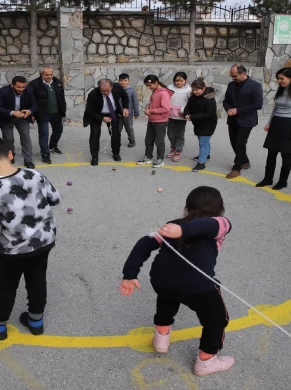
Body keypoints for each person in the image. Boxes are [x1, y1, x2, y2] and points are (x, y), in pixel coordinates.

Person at [119, 186, 233, 377]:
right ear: (219, 209)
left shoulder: (181, 226)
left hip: (162, 279)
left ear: (187, 207)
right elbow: (145, 242)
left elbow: (206, 226)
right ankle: (206, 362)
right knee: (217, 320)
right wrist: (130, 274)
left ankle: (161, 339)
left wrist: (130, 274)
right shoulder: (221, 222)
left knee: (168, 296)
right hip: (197, 285)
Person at [0, 136, 62, 341]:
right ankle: (36, 321)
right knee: (37, 280)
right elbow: (55, 199)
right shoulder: (35, 174)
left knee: (6, 285)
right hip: (44, 241)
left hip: (13, 249)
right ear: (10, 154)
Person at [256, 67, 291, 190]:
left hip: (289, 124)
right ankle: (268, 178)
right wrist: (269, 123)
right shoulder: (281, 90)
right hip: (276, 122)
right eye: (278, 79)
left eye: (282, 79)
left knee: (285, 154)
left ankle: (283, 181)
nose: (279, 81)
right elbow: (275, 108)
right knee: (271, 153)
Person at [222, 64, 264, 179]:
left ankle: (237, 167)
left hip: (246, 120)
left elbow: (258, 104)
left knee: (240, 143)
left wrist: (238, 110)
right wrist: (228, 109)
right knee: (234, 143)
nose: (232, 78)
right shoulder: (231, 85)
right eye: (231, 76)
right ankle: (245, 161)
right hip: (232, 119)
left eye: (234, 76)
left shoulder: (255, 85)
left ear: (243, 73)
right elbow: (226, 101)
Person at [0, 75, 38, 169]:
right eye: (18, 87)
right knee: (8, 138)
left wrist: (29, 111)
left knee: (26, 137)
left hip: (23, 117)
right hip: (6, 118)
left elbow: (35, 105)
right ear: (12, 85)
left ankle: (28, 160)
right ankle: (10, 156)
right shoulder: (3, 91)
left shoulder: (29, 90)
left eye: (23, 87)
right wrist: (12, 112)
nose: (21, 89)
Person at [83, 78, 130, 166]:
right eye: (103, 91)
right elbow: (89, 110)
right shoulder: (93, 94)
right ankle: (94, 157)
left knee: (116, 133)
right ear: (99, 88)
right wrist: (102, 118)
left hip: (112, 112)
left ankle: (116, 153)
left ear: (112, 87)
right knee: (94, 135)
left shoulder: (118, 87)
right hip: (97, 114)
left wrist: (125, 107)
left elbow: (124, 96)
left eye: (108, 91)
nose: (106, 93)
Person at [27, 66, 67, 164]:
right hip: (42, 113)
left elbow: (61, 98)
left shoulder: (57, 82)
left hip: (56, 112)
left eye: (51, 74)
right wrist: (31, 113)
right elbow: (30, 100)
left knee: (58, 130)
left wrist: (63, 112)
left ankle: (53, 146)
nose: (49, 76)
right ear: (41, 74)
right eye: (47, 75)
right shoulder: (34, 84)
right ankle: (45, 154)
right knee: (44, 135)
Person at [137, 75, 173, 169]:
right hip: (152, 120)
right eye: (147, 86)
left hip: (160, 121)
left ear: (156, 83)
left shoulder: (163, 93)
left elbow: (165, 109)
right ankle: (148, 157)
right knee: (148, 140)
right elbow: (152, 103)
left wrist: (151, 111)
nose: (149, 87)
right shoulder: (155, 91)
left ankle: (160, 160)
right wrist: (147, 107)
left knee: (159, 141)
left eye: (150, 85)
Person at [183, 79, 217, 173]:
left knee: (203, 142)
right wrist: (186, 113)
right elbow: (188, 106)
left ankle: (201, 162)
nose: (195, 92)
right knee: (203, 140)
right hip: (198, 122)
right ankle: (207, 154)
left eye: (197, 90)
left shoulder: (209, 99)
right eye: (193, 90)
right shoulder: (193, 96)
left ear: (203, 88)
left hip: (208, 124)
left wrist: (192, 116)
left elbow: (210, 114)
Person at [166, 72, 191, 162]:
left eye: (181, 81)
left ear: (185, 80)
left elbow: (190, 102)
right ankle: (173, 148)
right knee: (170, 134)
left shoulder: (188, 90)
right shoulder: (169, 88)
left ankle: (178, 151)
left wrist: (184, 110)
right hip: (170, 115)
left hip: (181, 116)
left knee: (179, 134)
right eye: (177, 81)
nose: (179, 83)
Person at [118, 73, 139, 147]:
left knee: (129, 128)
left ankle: (132, 141)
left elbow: (135, 102)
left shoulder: (132, 91)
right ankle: (117, 141)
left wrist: (136, 112)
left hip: (128, 114)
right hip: (118, 113)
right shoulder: (116, 90)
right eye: (121, 80)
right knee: (118, 129)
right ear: (118, 81)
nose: (123, 82)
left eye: (125, 80)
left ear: (128, 81)